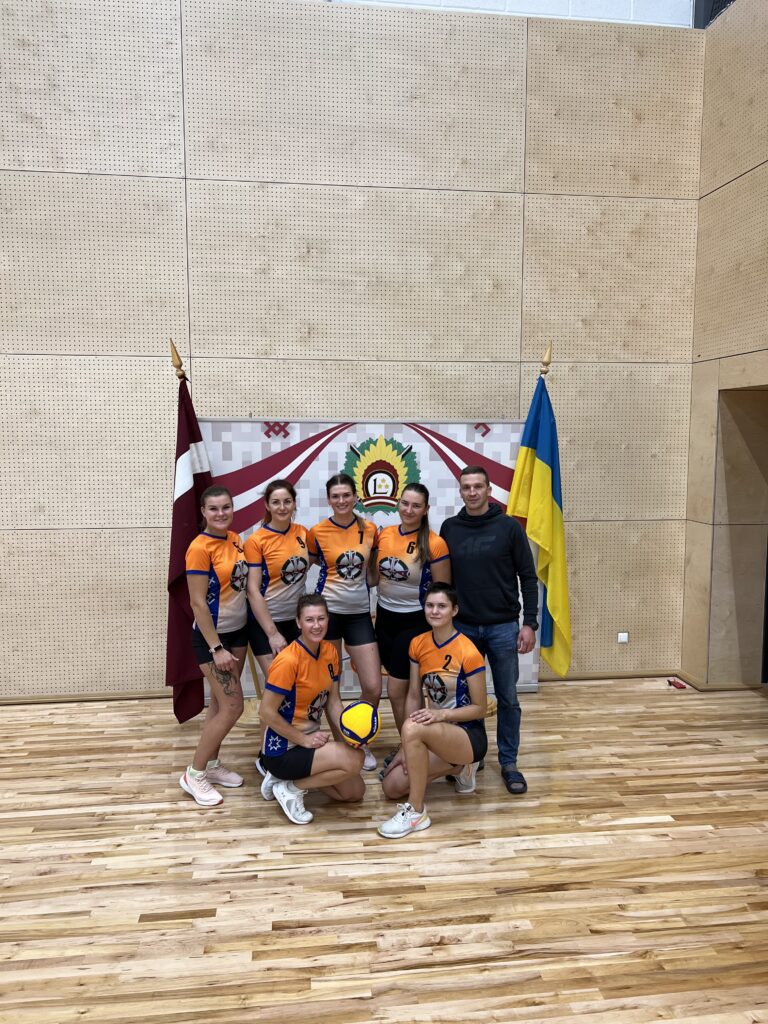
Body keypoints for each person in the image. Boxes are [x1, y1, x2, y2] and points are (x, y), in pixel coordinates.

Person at [439, 465, 538, 796]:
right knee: (468, 698)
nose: (472, 492)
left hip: (502, 627)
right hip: (463, 628)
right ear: (460, 491)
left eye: (477, 486)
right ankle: (474, 755)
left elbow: (528, 576)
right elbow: (444, 581)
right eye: (466, 487)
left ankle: (509, 762)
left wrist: (530, 622)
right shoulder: (450, 528)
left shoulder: (509, 527)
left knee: (507, 698)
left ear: (488, 490)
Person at [377, 582, 487, 839]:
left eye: (442, 606)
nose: (435, 611)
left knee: (415, 729)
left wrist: (441, 715)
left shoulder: (468, 651)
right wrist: (405, 745)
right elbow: (414, 695)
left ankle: (416, 812)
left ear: (454, 610)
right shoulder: (418, 643)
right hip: (435, 733)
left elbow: (480, 708)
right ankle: (460, 769)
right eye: (430, 605)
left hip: (466, 735)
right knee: (391, 787)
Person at [258, 594, 366, 825]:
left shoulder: (330, 652)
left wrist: (351, 733)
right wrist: (303, 740)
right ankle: (290, 788)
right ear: (298, 622)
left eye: (321, 618)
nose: (316, 625)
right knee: (355, 760)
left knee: (354, 792)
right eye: (309, 620)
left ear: (328, 619)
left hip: (310, 742)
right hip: (283, 750)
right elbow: (266, 712)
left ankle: (285, 782)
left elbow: (333, 702)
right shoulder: (288, 660)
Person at [180, 486, 249, 808]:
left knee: (221, 706)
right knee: (234, 707)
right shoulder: (199, 547)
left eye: (226, 507)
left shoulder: (235, 539)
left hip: (238, 633)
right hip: (214, 640)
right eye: (214, 509)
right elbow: (197, 602)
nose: (221, 514)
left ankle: (211, 764)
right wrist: (216, 648)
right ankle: (194, 774)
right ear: (203, 512)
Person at [373, 484, 450, 766]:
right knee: (400, 693)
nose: (409, 510)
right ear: (398, 503)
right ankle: (410, 743)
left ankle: (411, 747)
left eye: (416, 506)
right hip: (384, 618)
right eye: (405, 503)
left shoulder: (434, 543)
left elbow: (443, 590)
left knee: (398, 691)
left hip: (415, 623)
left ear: (426, 510)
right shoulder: (385, 534)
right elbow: (374, 577)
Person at [307, 473, 380, 771]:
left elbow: (373, 572)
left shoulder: (370, 529)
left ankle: (359, 736)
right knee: (331, 688)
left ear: (355, 497)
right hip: (327, 616)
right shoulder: (317, 532)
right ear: (328, 499)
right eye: (335, 496)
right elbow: (311, 564)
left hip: (359, 614)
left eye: (346, 495)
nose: (341, 500)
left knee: (373, 686)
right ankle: (345, 745)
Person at [244, 479, 309, 773]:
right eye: (276, 502)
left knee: (294, 690)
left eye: (287, 501)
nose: (282, 507)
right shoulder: (257, 540)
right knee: (277, 690)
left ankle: (286, 747)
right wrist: (272, 633)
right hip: (265, 624)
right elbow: (252, 589)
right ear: (267, 506)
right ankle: (264, 756)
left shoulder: (303, 533)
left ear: (294, 503)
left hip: (293, 623)